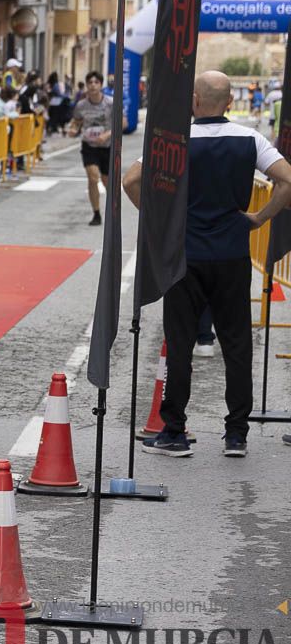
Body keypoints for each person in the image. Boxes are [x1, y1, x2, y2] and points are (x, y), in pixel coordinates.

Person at [123, 70, 291, 458]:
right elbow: (286, 180)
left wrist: (161, 224)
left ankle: (175, 431)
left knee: (180, 342)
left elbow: (132, 180)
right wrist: (259, 218)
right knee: (236, 343)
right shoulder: (250, 138)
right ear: (230, 102)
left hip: (186, 255)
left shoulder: (176, 140)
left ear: (194, 101)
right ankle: (236, 435)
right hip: (232, 252)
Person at [67, 70, 112, 226]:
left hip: (107, 146)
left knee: (107, 183)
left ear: (101, 85)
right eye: (90, 83)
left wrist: (107, 135)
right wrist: (73, 130)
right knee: (93, 178)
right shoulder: (81, 105)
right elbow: (77, 121)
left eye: (96, 82)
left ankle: (113, 213)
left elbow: (123, 124)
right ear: (86, 85)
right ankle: (96, 213)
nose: (93, 86)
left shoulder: (110, 103)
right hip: (89, 146)